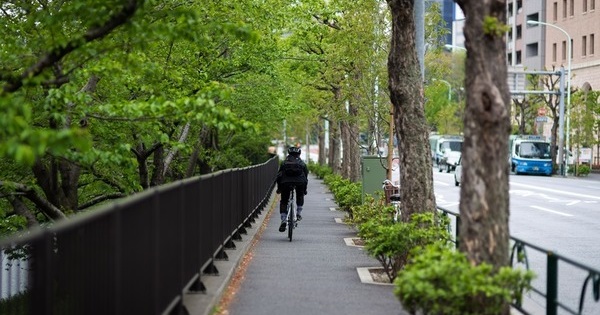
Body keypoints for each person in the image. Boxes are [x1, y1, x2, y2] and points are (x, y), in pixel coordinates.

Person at [276, 146, 308, 232]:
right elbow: (306, 177)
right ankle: (298, 213)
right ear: (299, 154)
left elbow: (279, 176)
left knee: (284, 200)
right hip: (299, 183)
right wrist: (304, 190)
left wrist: (279, 189)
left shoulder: (284, 163)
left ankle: (283, 219)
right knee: (300, 195)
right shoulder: (302, 163)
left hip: (286, 183)